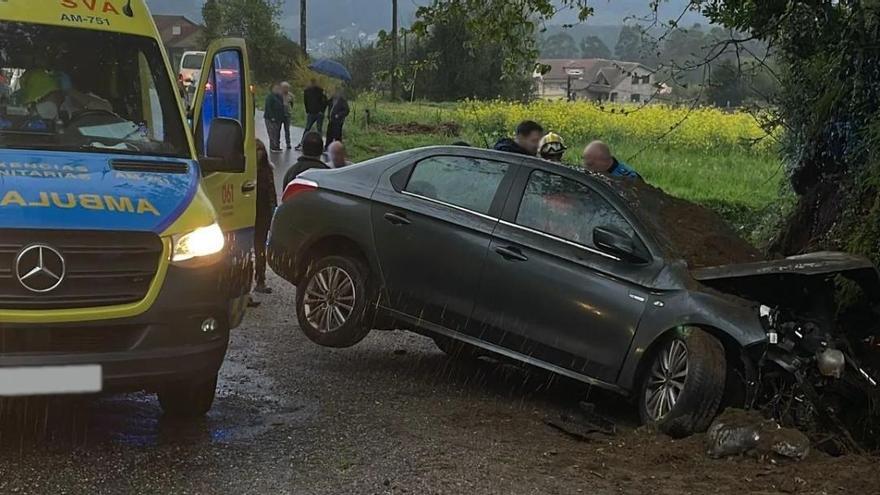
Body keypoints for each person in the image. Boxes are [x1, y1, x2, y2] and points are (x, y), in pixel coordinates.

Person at [254, 139, 277, 295]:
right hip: (250, 212)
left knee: (259, 247)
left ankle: (260, 278)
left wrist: (273, 211)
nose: (258, 154)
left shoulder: (267, 170)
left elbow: (272, 193)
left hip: (262, 214)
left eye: (260, 150)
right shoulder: (245, 171)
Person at [297, 79, 327, 150]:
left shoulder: (320, 91)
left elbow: (324, 102)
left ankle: (319, 145)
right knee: (308, 128)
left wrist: (322, 111)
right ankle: (302, 143)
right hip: (311, 112)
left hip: (318, 113)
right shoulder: (307, 91)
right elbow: (306, 102)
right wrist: (308, 110)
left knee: (318, 129)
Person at [263, 83, 285, 152]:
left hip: (279, 118)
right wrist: (272, 116)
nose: (277, 90)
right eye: (276, 88)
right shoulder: (270, 97)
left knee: (277, 132)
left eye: (278, 88)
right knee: (272, 132)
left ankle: (277, 146)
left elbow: (282, 107)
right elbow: (268, 107)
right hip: (270, 118)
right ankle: (273, 146)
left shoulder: (280, 97)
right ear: (272, 89)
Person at [280, 81, 294, 150]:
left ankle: (288, 143)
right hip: (280, 114)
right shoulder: (279, 95)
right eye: (284, 88)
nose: (285, 89)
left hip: (288, 114)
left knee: (287, 130)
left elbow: (292, 103)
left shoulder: (291, 95)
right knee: (278, 130)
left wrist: (290, 110)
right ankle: (277, 143)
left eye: (287, 88)